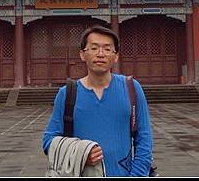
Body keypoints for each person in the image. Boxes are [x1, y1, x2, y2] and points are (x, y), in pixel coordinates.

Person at [42, 25, 153, 176]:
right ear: (82, 54)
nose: (100, 54)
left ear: (116, 56)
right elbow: (49, 140)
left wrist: (136, 175)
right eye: (94, 48)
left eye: (107, 49)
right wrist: (81, 154)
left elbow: (144, 140)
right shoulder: (67, 93)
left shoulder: (132, 88)